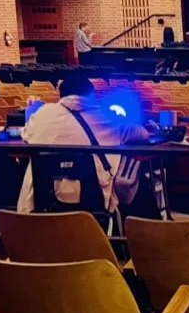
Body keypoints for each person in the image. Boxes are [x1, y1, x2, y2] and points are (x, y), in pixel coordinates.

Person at [16, 74, 152, 213]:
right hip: (94, 203)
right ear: (92, 96)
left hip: (42, 203)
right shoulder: (108, 117)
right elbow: (143, 134)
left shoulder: (41, 114)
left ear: (60, 95)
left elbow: (25, 134)